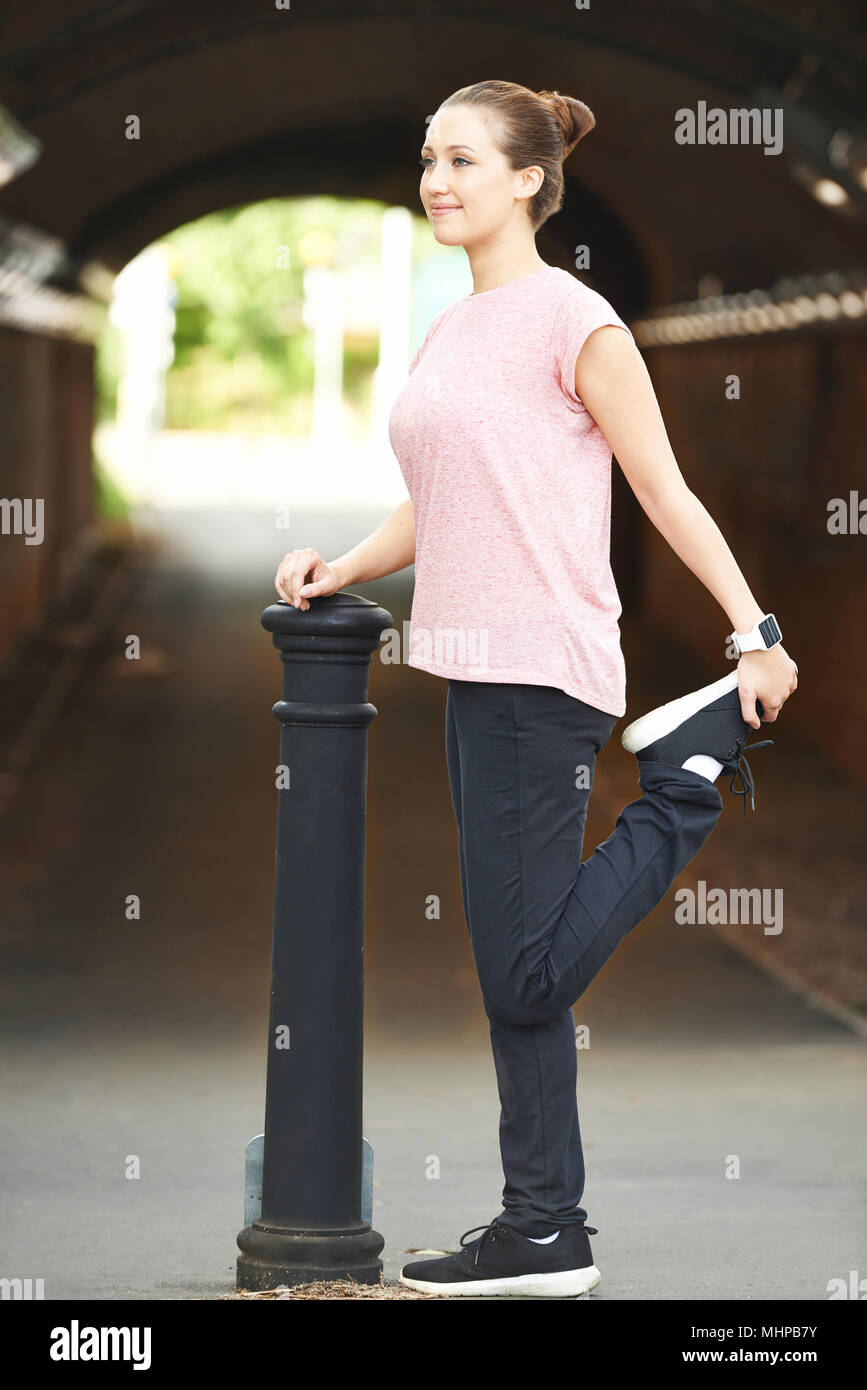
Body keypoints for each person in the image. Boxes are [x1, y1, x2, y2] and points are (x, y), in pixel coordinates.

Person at [274, 79, 798, 1298]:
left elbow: (664, 490)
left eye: (462, 160)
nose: (436, 179)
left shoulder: (580, 323)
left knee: (518, 968)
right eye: (427, 159)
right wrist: (344, 564)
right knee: (526, 969)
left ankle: (683, 782)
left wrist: (752, 635)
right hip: (469, 670)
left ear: (529, 180)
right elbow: (444, 495)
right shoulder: (453, 328)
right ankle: (544, 1226)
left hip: (542, 672)